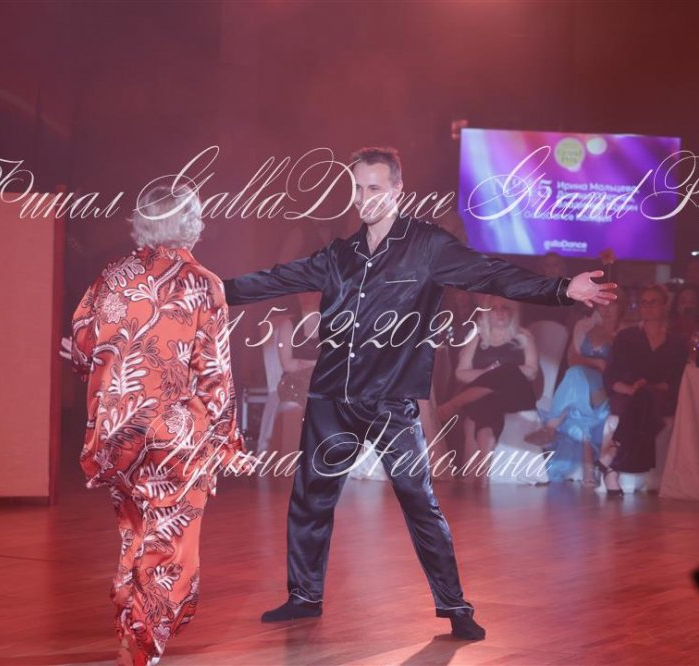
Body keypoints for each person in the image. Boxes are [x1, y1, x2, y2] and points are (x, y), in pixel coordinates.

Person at [223, 146, 617, 640]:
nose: (364, 198)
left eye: (374, 187)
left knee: (420, 503)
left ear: (397, 190)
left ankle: (455, 606)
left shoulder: (428, 247)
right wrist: (208, 289)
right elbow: (275, 279)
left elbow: (492, 273)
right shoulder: (339, 255)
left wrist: (561, 290)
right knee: (310, 499)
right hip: (331, 399)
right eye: (357, 188)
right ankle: (304, 596)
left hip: (391, 401)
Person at [67, 184, 247, 666]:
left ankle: (131, 624)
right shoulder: (203, 284)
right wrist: (223, 439)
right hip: (175, 436)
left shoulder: (112, 276)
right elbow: (215, 371)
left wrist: (106, 377)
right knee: (171, 542)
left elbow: (83, 346)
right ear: (191, 222)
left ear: (141, 223)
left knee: (135, 532)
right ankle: (143, 644)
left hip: (119, 432)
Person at [599, 285, 687, 496]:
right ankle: (612, 461)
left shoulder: (676, 341)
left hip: (660, 396)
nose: (647, 307)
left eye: (653, 302)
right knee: (642, 398)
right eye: (644, 303)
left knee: (646, 395)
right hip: (628, 395)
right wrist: (630, 389)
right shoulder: (626, 337)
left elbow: (677, 379)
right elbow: (610, 375)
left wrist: (650, 387)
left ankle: (612, 460)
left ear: (664, 306)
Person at [437, 295, 538, 475]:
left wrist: (501, 372)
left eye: (504, 308)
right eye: (494, 308)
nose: (499, 312)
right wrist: (488, 374)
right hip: (483, 399)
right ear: (486, 313)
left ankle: (454, 404)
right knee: (485, 407)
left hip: (515, 395)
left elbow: (532, 372)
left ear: (512, 312)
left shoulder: (523, 337)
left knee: (507, 370)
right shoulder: (477, 337)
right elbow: (461, 373)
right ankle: (482, 472)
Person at [532, 295, 624, 484]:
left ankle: (551, 428)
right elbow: (572, 360)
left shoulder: (624, 332)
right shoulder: (584, 326)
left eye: (612, 304)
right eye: (602, 304)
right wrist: (597, 363)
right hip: (582, 387)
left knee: (575, 377)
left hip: (606, 388)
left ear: (620, 306)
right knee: (576, 385)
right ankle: (589, 470)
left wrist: (599, 365)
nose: (606, 309)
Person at [274, 291, 323, 454]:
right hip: (294, 382)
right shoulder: (288, 324)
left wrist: (305, 364)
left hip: (322, 380)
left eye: (313, 293)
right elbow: (287, 364)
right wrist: (318, 363)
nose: (308, 298)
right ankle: (292, 455)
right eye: (304, 294)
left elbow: (337, 362)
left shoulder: (331, 324)